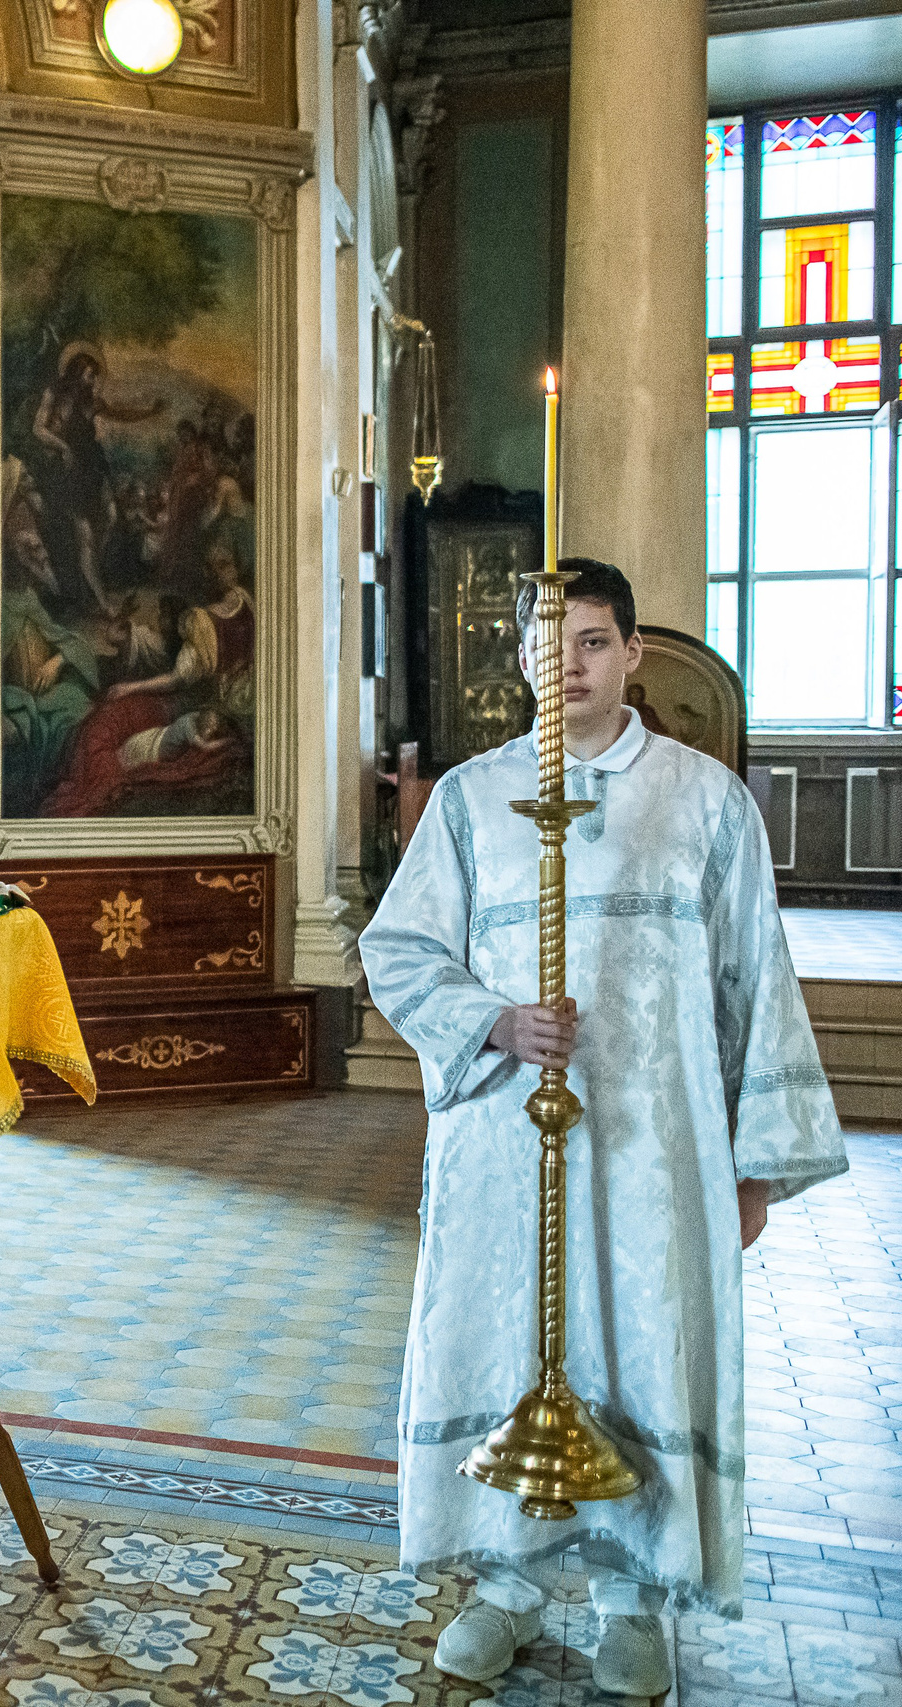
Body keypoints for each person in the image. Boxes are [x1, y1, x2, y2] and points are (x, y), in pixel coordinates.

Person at [360, 559, 846, 1696]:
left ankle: (637, 1596)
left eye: (588, 641)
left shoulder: (703, 799)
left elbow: (752, 986)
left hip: (654, 1146)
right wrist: (491, 1024)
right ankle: (506, 1582)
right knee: (508, 1344)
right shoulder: (474, 798)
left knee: (639, 1349)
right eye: (544, 642)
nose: (563, 665)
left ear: (633, 653)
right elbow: (397, 950)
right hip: (502, 1150)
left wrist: (754, 1170)